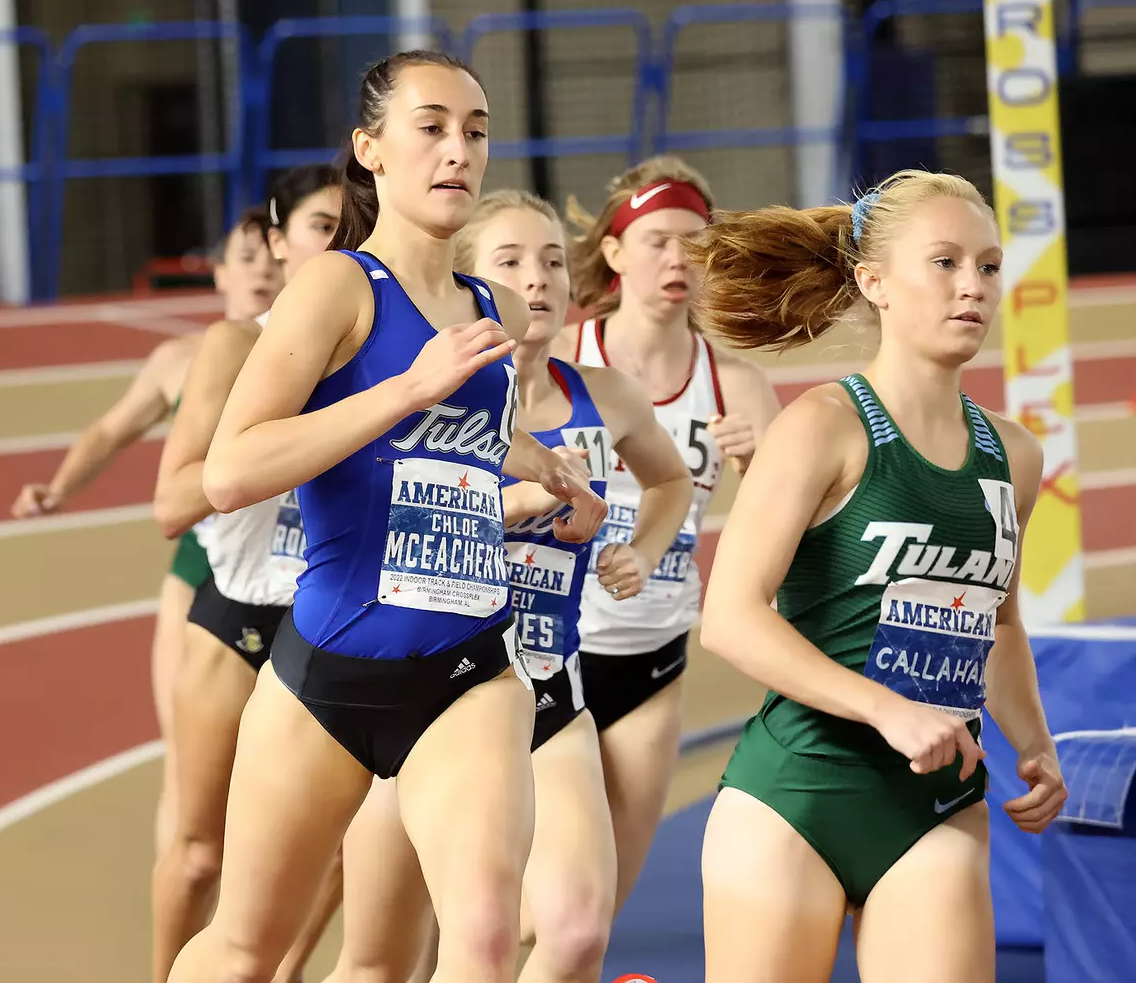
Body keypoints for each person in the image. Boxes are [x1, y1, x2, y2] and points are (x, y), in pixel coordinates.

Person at [168, 49, 606, 983]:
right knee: (247, 951)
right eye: (432, 128)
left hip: (468, 671)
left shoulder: (490, 308)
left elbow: (458, 458)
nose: (458, 151)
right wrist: (408, 387)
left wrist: (552, 482)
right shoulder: (336, 287)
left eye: (476, 132)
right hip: (328, 672)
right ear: (371, 149)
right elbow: (230, 473)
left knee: (482, 938)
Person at [688, 170, 1067, 981]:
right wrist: (888, 710)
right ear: (874, 282)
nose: (973, 286)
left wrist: (1034, 740)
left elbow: (998, 622)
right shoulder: (821, 426)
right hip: (798, 796)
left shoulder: (1016, 455)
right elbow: (730, 616)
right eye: (945, 262)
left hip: (935, 803)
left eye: (989, 266)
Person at [325, 189, 695, 983]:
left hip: (544, 686)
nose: (538, 279)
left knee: (575, 931)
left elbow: (672, 482)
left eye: (554, 261)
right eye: (512, 261)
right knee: (381, 963)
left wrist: (641, 550)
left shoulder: (606, 397)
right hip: (425, 692)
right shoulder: (422, 394)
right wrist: (520, 501)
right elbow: (377, 523)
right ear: (469, 285)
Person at [11, 205, 284, 856]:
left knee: (283, 775)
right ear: (218, 274)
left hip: (288, 576)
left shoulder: (308, 358)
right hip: (197, 577)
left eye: (272, 262)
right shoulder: (180, 359)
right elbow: (112, 429)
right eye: (245, 260)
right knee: (189, 772)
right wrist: (60, 487)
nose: (261, 273)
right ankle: (186, 880)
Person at [555, 156, 781, 908]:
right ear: (614, 253)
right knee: (534, 898)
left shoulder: (737, 386)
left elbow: (794, 536)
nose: (679, 258)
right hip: (548, 649)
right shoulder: (563, 360)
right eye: (657, 241)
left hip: (653, 657)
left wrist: (759, 464)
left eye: (695, 242)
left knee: (604, 899)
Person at [148, 165, 341, 983]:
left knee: (335, 852)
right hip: (237, 616)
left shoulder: (380, 351)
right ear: (277, 240)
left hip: (330, 622)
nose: (340, 243)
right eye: (322, 227)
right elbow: (171, 504)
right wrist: (286, 441)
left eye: (352, 229)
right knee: (201, 854)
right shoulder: (235, 346)